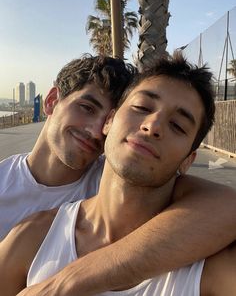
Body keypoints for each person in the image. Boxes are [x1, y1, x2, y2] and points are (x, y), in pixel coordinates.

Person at [1, 53, 236, 296]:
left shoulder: (210, 265)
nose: (153, 125)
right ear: (110, 122)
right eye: (142, 107)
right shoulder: (32, 237)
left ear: (188, 160)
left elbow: (230, 206)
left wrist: (66, 282)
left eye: (177, 126)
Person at [0, 54, 135, 240]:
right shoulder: (3, 181)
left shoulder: (111, 186)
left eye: (109, 122)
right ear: (52, 101)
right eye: (87, 108)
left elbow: (187, 209)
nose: (97, 132)